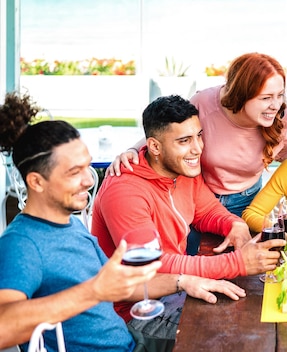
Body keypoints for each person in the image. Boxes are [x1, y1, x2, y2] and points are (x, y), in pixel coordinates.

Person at [0, 92, 246, 352]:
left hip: (130, 343)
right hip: (127, 339)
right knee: (227, 337)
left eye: (87, 167)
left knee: (232, 321)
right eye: (75, 172)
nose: (89, 180)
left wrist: (183, 281)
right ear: (37, 182)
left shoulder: (70, 227)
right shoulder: (22, 244)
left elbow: (121, 287)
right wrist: (94, 291)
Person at [92, 95, 284, 326]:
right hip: (137, 311)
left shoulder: (181, 169)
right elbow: (153, 264)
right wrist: (237, 262)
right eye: (184, 141)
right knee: (235, 326)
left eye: (199, 136)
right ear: (154, 146)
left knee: (261, 308)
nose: (197, 149)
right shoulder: (125, 191)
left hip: (178, 287)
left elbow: (207, 210)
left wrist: (235, 225)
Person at [109, 52, 287, 254]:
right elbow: (172, 130)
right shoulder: (205, 103)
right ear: (243, 94)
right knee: (186, 254)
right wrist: (133, 149)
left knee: (237, 264)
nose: (275, 105)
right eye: (266, 98)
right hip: (198, 195)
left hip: (244, 200)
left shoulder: (280, 117)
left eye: (280, 95)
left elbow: (282, 150)